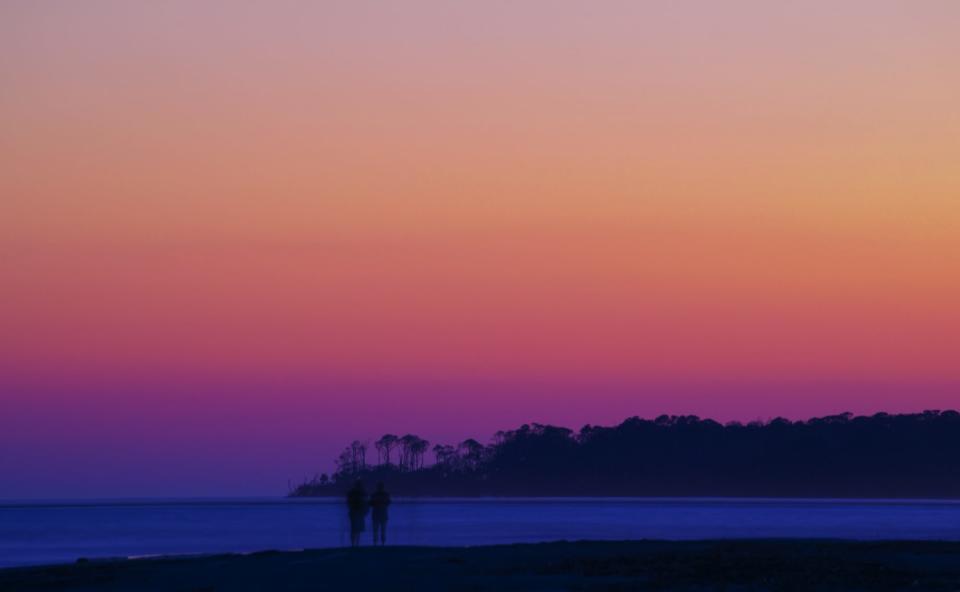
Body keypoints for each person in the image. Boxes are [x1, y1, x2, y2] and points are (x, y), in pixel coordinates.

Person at [346, 480, 368, 547]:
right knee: (356, 529)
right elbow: (365, 502)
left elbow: (348, 502)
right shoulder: (361, 492)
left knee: (354, 529)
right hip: (357, 512)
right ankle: (355, 544)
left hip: (355, 512)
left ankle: (354, 544)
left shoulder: (353, 492)